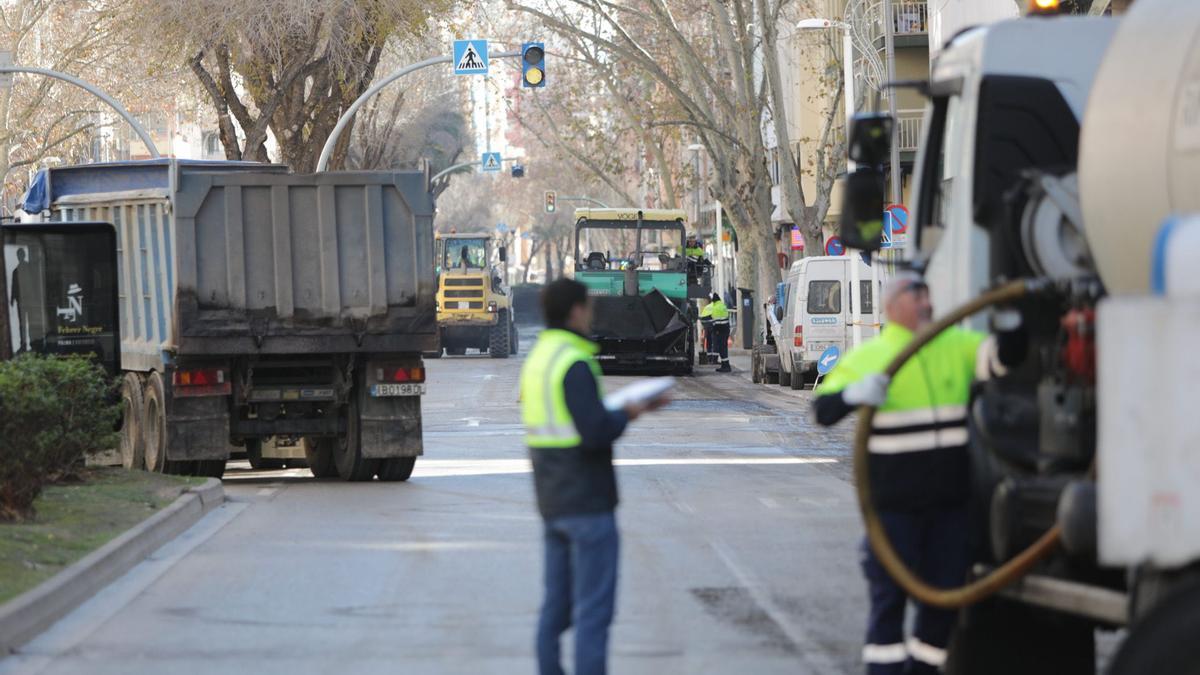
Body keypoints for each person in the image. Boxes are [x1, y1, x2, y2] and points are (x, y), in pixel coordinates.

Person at [811, 272, 1023, 675]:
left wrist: (1011, 318)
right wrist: (853, 394)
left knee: (943, 601)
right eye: (916, 295)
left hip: (950, 508)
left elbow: (1007, 357)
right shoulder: (871, 358)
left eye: (928, 295)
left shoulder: (955, 346)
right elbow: (822, 412)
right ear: (893, 307)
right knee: (889, 601)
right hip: (894, 510)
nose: (926, 303)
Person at [521, 278, 668, 675]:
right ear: (574, 311)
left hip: (552, 500)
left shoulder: (538, 359)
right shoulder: (573, 361)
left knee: (555, 608)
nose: (590, 315)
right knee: (593, 613)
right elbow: (595, 430)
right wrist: (630, 412)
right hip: (588, 502)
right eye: (588, 307)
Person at [704, 292, 731, 372]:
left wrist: (714, 330)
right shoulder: (722, 305)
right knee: (723, 348)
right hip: (726, 329)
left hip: (720, 330)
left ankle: (726, 366)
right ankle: (725, 365)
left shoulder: (715, 307)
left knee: (722, 349)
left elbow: (715, 322)